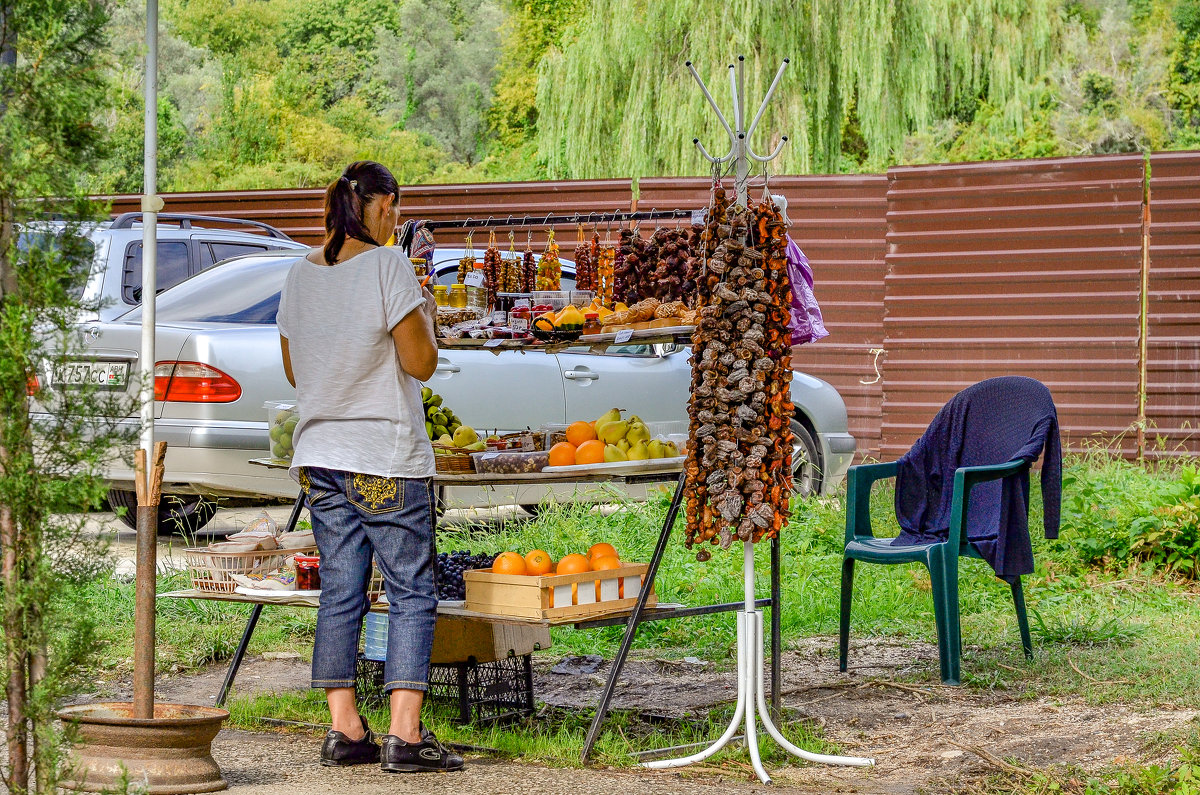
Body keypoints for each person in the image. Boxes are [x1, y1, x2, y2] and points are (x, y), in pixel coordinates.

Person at [277, 160, 463, 773]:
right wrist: (427, 316)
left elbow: (294, 370)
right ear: (381, 207)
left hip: (320, 458)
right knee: (411, 590)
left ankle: (345, 729)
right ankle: (404, 737)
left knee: (341, 589)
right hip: (383, 456)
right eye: (397, 210)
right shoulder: (389, 266)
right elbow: (421, 364)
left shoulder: (299, 275)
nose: (397, 221)